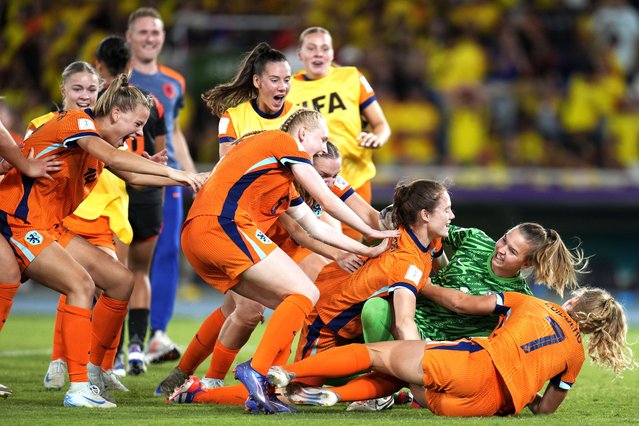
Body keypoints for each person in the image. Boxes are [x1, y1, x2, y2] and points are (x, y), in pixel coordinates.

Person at [0, 74, 205, 408]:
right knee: (80, 284)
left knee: (121, 280)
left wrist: (187, 181)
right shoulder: (79, 122)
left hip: (49, 224)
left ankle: (95, 371)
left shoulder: (98, 143)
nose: (139, 133)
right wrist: (176, 173)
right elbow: (116, 160)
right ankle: (78, 389)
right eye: (137, 123)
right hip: (21, 221)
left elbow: (133, 175)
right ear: (115, 115)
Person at [179, 108, 397, 414]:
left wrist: (368, 249)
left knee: (291, 305)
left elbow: (316, 226)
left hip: (202, 234)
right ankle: (255, 371)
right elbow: (325, 199)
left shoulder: (282, 181)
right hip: (223, 226)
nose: (323, 147)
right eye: (322, 139)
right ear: (303, 133)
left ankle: (261, 385)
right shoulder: (283, 142)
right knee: (306, 293)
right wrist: (372, 232)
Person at [165, 178, 453, 408]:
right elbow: (403, 324)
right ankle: (196, 393)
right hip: (326, 326)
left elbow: (441, 267)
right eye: (447, 210)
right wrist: (424, 376)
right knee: (284, 392)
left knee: (385, 358)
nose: (452, 216)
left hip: (350, 324)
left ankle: (379, 392)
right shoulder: (405, 260)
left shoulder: (426, 238)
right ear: (425, 215)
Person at [261, 285, 635, 417]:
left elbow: (461, 303)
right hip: (486, 407)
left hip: (472, 364)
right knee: (398, 378)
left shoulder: (533, 303)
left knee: (378, 354)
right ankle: (334, 395)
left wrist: (419, 285)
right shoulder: (576, 358)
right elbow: (544, 408)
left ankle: (290, 374)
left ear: (573, 301)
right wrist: (524, 379)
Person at [344, 221, 589, 410]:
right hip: (413, 319)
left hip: (448, 350)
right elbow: (435, 230)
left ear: (525, 265)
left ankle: (394, 389)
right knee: (375, 309)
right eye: (504, 239)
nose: (501, 249)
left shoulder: (519, 297)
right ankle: (389, 389)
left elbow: (467, 311)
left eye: (512, 251)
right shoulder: (476, 239)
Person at [90, 35, 168, 378]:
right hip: (140, 191)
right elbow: (155, 150)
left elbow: (115, 159)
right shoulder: (150, 102)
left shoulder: (93, 106)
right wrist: (171, 173)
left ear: (99, 66)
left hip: (112, 194)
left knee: (108, 280)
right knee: (135, 274)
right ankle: (130, 349)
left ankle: (110, 359)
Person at [127, 7, 197, 363]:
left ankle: (156, 335)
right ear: (129, 38)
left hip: (165, 178)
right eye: (143, 32)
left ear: (163, 37)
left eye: (155, 32)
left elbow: (175, 131)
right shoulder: (117, 79)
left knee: (168, 253)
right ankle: (115, 337)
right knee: (120, 257)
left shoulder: (175, 82)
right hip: (124, 177)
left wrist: (190, 173)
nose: (150, 38)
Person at [288, 26, 391, 240]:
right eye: (312, 48)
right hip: (311, 183)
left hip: (354, 178)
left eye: (324, 48)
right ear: (300, 54)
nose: (318, 53)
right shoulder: (288, 88)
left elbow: (381, 125)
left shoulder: (352, 77)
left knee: (353, 252)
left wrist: (377, 138)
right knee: (324, 250)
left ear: (333, 53)